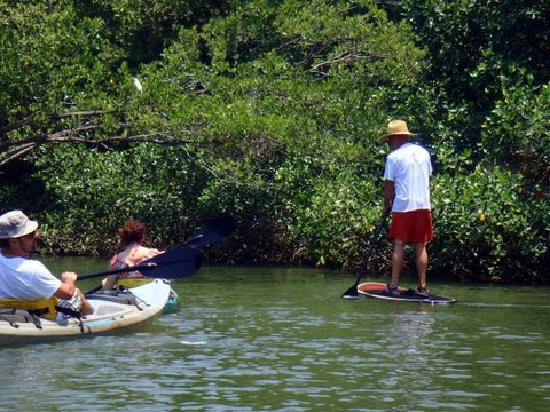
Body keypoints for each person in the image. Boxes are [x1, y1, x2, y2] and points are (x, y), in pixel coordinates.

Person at [0, 210, 93, 315]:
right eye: (30, 234)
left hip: (7, 314)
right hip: (34, 318)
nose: (36, 236)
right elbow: (68, 293)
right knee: (77, 292)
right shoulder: (33, 269)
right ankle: (91, 316)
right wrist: (69, 279)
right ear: (14, 242)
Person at [380, 120, 433, 296]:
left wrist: (386, 206)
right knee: (420, 245)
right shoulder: (424, 153)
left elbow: (389, 186)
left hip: (402, 206)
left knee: (398, 244)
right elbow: (429, 178)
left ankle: (394, 286)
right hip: (424, 206)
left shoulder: (393, 157)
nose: (389, 144)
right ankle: (423, 287)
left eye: (390, 140)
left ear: (396, 138)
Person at [101, 219, 162, 291]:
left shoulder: (117, 261)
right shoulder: (154, 255)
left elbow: (107, 290)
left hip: (125, 298)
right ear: (142, 237)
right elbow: (169, 277)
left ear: (124, 238)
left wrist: (105, 283)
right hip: (150, 295)